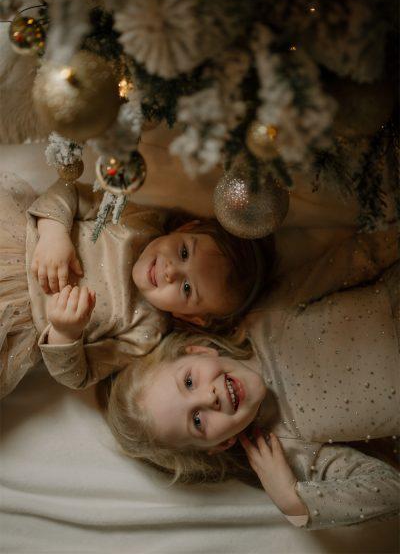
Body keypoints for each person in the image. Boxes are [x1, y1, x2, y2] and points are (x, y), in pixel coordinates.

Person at [105, 226, 400, 530]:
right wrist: (292, 503)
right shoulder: (284, 448)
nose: (209, 398)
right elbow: (391, 489)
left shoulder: (265, 314)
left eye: (189, 382)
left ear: (199, 351)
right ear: (221, 444)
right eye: (197, 421)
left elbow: (358, 257)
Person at [0, 172, 271, 399]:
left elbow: (78, 375)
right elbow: (69, 190)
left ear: (189, 317)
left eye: (187, 289)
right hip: (13, 243)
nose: (170, 271)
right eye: (184, 252)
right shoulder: (138, 221)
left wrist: (65, 332)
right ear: (187, 228)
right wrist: (54, 233)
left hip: (15, 327)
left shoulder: (146, 332)